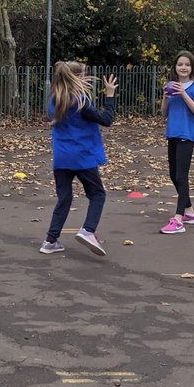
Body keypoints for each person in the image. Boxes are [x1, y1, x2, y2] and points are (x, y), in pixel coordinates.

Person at [40, 61, 117, 256]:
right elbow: (106, 120)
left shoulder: (54, 101)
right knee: (97, 194)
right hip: (82, 156)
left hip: (62, 157)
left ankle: (50, 241)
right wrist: (110, 96)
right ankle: (88, 230)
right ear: (78, 78)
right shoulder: (80, 102)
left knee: (64, 199)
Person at [160, 50, 194, 234]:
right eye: (180, 64)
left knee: (182, 176)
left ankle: (178, 219)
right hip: (173, 133)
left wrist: (184, 93)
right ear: (175, 67)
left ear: (192, 67)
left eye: (187, 64)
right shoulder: (172, 86)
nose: (183, 67)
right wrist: (165, 95)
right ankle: (190, 212)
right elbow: (164, 113)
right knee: (173, 174)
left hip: (187, 135)